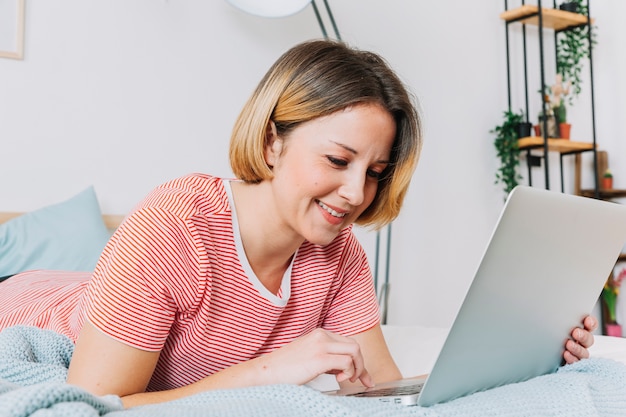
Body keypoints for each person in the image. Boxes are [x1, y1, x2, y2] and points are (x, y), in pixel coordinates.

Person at [0, 39, 597, 408]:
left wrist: (525, 357)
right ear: (271, 142)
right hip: (32, 305)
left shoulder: (338, 256)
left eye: (375, 171)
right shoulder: (174, 226)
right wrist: (266, 372)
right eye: (337, 161)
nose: (356, 193)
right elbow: (101, 402)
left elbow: (379, 393)